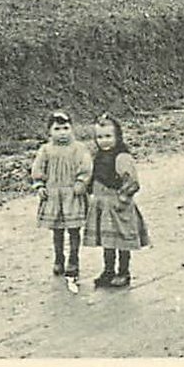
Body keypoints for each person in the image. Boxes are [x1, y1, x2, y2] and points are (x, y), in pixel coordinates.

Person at [84, 113, 150, 288]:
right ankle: (108, 271)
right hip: (103, 205)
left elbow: (132, 182)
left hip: (118, 205)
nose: (104, 141)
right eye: (100, 137)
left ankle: (123, 272)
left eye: (108, 136)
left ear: (117, 136)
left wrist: (123, 197)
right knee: (108, 241)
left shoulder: (122, 157)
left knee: (121, 241)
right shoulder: (97, 156)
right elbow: (93, 176)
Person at [31, 110, 92, 281]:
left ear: (72, 129)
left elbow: (86, 166)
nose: (62, 132)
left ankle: (74, 260)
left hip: (72, 193)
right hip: (54, 194)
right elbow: (38, 168)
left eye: (66, 128)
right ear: (49, 131)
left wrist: (81, 182)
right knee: (57, 230)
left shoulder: (79, 149)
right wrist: (40, 185)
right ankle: (59, 258)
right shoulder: (46, 150)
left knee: (74, 230)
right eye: (57, 129)